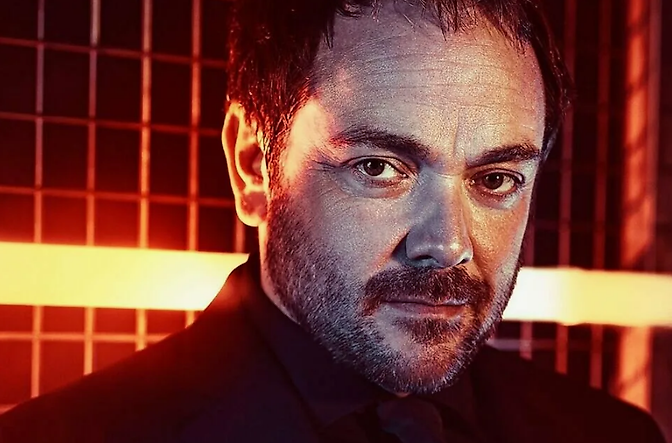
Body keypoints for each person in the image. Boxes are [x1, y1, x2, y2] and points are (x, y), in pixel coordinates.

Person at [0, 0, 666, 442]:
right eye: (379, 167)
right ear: (253, 164)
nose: (447, 244)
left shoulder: (612, 435)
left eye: (495, 179)